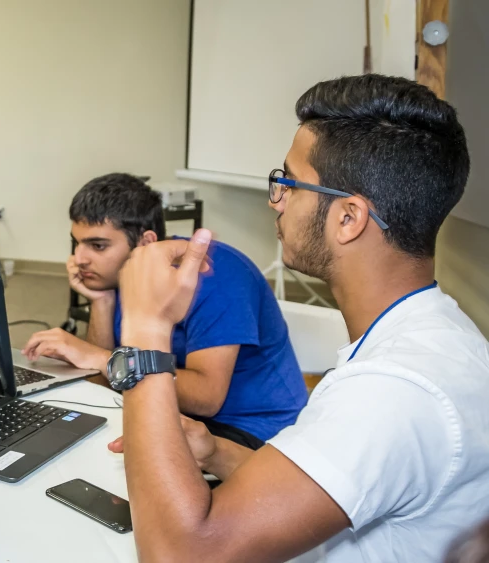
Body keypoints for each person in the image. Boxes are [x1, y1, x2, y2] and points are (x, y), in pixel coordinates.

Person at [108, 74, 489, 562]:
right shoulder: (436, 335)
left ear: (348, 218)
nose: (277, 199)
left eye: (287, 182)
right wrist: (216, 451)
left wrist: (144, 327)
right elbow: (337, 483)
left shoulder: (394, 389)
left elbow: (183, 555)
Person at [22, 173, 305, 443]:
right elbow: (105, 383)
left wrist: (99, 358)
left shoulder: (217, 277)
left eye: (97, 246)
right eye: (77, 243)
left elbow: (206, 398)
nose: (79, 258)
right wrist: (102, 300)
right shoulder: (126, 273)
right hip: (173, 410)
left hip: (251, 430)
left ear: (145, 242)